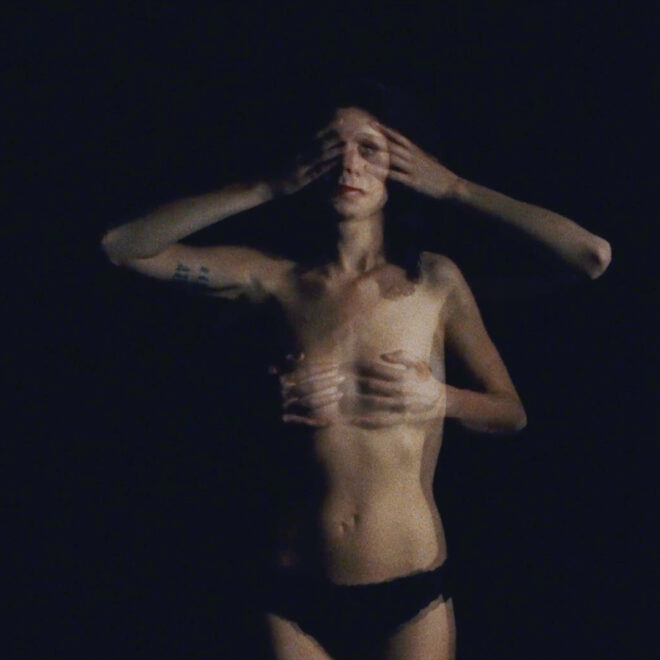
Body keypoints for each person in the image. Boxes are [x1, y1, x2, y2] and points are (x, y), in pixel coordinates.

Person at [101, 83, 610, 659]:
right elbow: (123, 246)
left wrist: (455, 188)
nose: (349, 164)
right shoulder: (277, 279)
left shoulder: (433, 281)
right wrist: (265, 187)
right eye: (332, 148)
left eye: (369, 149)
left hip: (411, 592)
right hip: (292, 587)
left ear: (401, 168)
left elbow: (585, 269)